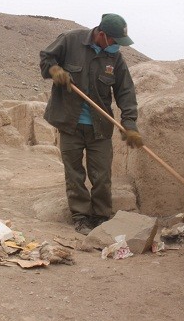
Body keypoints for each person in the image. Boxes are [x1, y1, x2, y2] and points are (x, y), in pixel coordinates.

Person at [39, 13, 143, 235]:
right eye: (115, 41)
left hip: (100, 126)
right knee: (74, 173)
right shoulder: (70, 40)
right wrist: (55, 70)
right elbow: (46, 58)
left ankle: (102, 216)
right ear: (102, 35)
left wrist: (130, 123)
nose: (117, 47)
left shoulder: (115, 59)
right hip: (70, 122)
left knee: (102, 175)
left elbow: (125, 92)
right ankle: (81, 216)